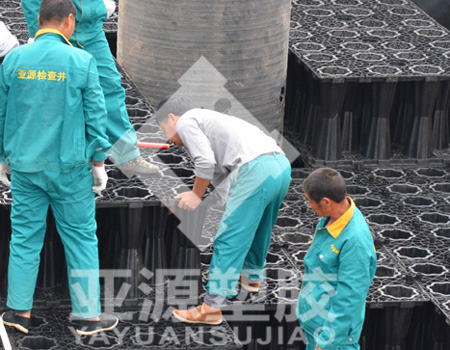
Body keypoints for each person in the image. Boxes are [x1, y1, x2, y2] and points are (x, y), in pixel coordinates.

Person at [0, 0, 118, 335]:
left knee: (24, 238)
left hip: (24, 167)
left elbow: (1, 114)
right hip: (70, 169)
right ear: (70, 20)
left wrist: (0, 158)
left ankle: (18, 314)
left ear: (38, 21)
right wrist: (98, 163)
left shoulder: (14, 60)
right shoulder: (82, 61)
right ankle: (87, 317)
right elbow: (97, 119)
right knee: (80, 237)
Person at [155, 96, 292, 325]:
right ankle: (251, 278)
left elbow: (205, 162)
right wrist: (200, 203)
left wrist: (195, 195)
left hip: (255, 170)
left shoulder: (187, 120)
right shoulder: (215, 123)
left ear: (171, 117)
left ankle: (211, 308)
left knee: (229, 238)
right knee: (260, 226)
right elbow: (227, 184)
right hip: (280, 166)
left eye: (164, 129)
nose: (168, 137)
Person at [21, 0, 159, 175]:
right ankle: (40, 157)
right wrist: (38, 34)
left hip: (91, 30)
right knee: (52, 93)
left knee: (109, 86)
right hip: (56, 28)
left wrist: (100, 7)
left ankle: (126, 155)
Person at [297, 168, 377, 350]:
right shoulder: (330, 219)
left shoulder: (355, 240)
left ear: (326, 202)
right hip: (315, 323)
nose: (309, 205)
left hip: (332, 338)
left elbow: (350, 298)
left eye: (310, 201)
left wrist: (327, 341)